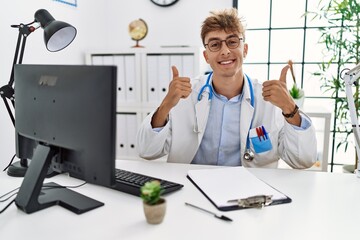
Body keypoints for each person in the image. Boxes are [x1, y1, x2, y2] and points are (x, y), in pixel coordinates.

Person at [136, 8, 317, 168]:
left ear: (244, 50)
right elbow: (147, 151)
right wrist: (166, 106)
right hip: (191, 189)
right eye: (215, 44)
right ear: (206, 56)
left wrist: (289, 108)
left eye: (232, 42)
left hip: (250, 194)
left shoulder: (269, 100)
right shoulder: (185, 95)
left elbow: (303, 161)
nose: (225, 51)